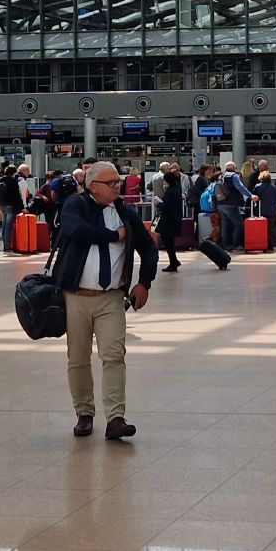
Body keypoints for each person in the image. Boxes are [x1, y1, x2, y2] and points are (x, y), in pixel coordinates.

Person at [53, 161, 158, 441]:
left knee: (114, 356)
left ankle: (116, 418)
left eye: (118, 181)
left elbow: (149, 249)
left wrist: (144, 282)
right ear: (93, 186)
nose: (117, 186)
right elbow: (77, 231)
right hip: (76, 296)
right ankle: (84, 414)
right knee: (78, 358)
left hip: (111, 297)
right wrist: (114, 236)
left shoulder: (125, 213)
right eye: (111, 183)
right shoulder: (75, 205)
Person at [151, 162, 183, 272]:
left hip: (168, 220)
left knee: (168, 241)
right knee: (169, 241)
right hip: (174, 218)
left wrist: (158, 204)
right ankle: (173, 261)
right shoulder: (176, 189)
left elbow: (167, 206)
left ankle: (173, 262)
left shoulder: (170, 192)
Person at [212, 161, 251, 250]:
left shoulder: (220, 176)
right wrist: (250, 195)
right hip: (231, 204)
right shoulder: (234, 176)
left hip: (220, 204)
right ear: (234, 168)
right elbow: (240, 187)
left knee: (225, 225)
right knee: (239, 224)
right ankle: (236, 244)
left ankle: (226, 245)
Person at [250, 166, 276, 248]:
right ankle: (274, 244)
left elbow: (254, 198)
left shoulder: (257, 187)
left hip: (261, 210)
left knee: (261, 228)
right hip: (272, 211)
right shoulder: (274, 187)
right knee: (273, 228)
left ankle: (262, 243)